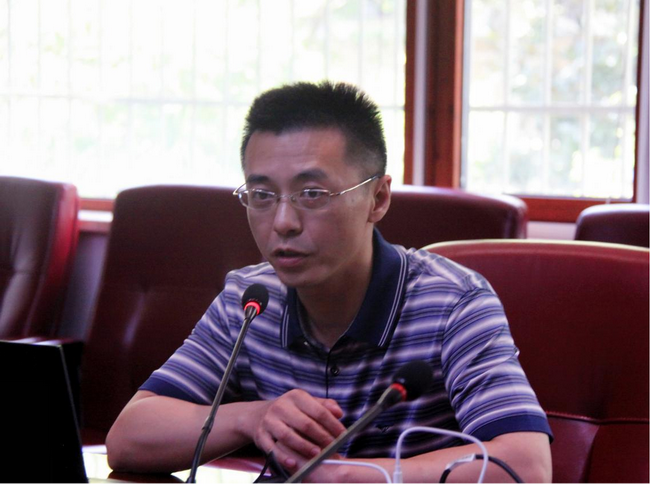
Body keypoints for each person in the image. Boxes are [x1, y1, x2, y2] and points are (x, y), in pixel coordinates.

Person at [106, 81, 552, 482]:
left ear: (378, 198)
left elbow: (526, 466)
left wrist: (347, 477)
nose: (283, 222)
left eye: (312, 194)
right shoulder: (250, 300)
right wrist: (252, 418)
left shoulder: (454, 302)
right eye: (262, 195)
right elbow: (127, 439)